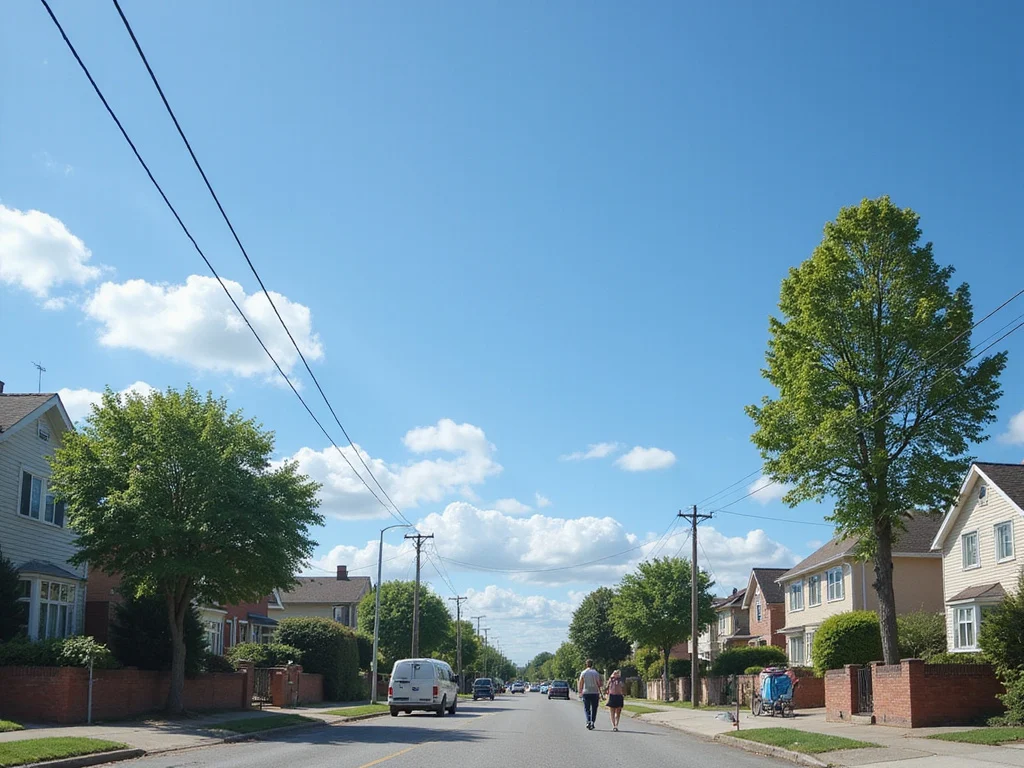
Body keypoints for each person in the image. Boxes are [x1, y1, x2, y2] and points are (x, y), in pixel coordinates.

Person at [578, 659, 603, 730]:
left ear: (586, 664)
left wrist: (580, 691)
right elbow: (599, 683)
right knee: (594, 708)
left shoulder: (583, 673)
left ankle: (588, 720)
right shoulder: (595, 673)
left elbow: (581, 683)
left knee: (587, 708)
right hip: (595, 692)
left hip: (586, 692)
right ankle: (592, 721)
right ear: (592, 664)